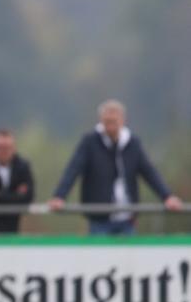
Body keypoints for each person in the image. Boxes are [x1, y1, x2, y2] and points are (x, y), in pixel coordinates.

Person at [49, 99, 182, 235]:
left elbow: (149, 172)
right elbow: (73, 169)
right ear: (101, 120)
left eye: (114, 121)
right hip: (99, 219)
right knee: (99, 255)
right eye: (107, 122)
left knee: (129, 256)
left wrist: (167, 196)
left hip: (127, 220)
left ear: (123, 120)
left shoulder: (133, 143)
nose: (110, 126)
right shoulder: (89, 142)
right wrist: (60, 196)